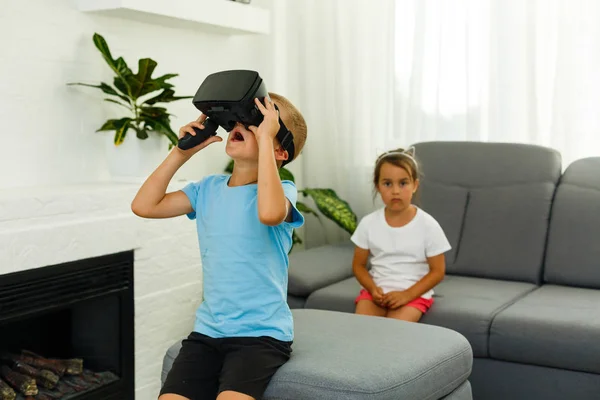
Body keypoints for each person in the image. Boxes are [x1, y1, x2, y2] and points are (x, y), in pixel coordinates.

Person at [131, 93, 307, 400]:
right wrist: (180, 153)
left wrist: (265, 138)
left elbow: (268, 213)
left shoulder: (284, 193)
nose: (242, 125)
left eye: (258, 122)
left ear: (280, 150)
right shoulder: (207, 189)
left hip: (261, 336)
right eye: (240, 119)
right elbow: (144, 205)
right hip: (208, 332)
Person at [352, 147, 451, 323]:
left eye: (403, 183)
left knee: (394, 335)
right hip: (376, 294)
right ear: (377, 186)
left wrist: (407, 295)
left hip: (413, 295)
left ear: (415, 185)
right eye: (387, 184)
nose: (395, 191)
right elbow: (358, 266)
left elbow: (438, 271)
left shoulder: (428, 225)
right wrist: (373, 289)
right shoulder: (368, 223)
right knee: (360, 330)